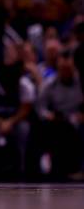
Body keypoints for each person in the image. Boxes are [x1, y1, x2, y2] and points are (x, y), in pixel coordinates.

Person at [0, 43, 36, 178]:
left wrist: (10, 122)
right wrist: (0, 122)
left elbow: (25, 110)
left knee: (24, 130)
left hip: (16, 122)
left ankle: (22, 168)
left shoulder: (25, 86)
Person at [37, 50, 84, 179]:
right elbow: (41, 107)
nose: (65, 72)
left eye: (68, 68)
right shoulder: (50, 84)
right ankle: (52, 169)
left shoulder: (80, 83)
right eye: (62, 69)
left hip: (77, 120)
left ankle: (80, 169)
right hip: (57, 121)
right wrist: (48, 115)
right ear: (58, 68)